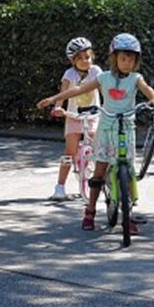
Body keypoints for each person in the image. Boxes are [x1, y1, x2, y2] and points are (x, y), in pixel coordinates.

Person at [37, 33, 154, 232]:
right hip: (106, 127)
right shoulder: (103, 78)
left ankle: (128, 215)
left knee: (128, 170)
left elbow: (148, 90)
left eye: (131, 59)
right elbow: (76, 91)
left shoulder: (136, 78)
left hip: (126, 128)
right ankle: (90, 210)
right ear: (114, 58)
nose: (127, 63)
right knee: (100, 169)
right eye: (123, 58)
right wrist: (54, 99)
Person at [47, 37, 102, 200]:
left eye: (88, 57)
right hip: (73, 116)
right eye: (81, 58)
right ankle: (60, 187)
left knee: (99, 148)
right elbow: (63, 92)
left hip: (93, 115)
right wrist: (58, 107)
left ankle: (101, 182)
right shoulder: (69, 74)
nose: (86, 61)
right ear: (73, 61)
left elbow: (104, 89)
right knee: (70, 152)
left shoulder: (96, 71)